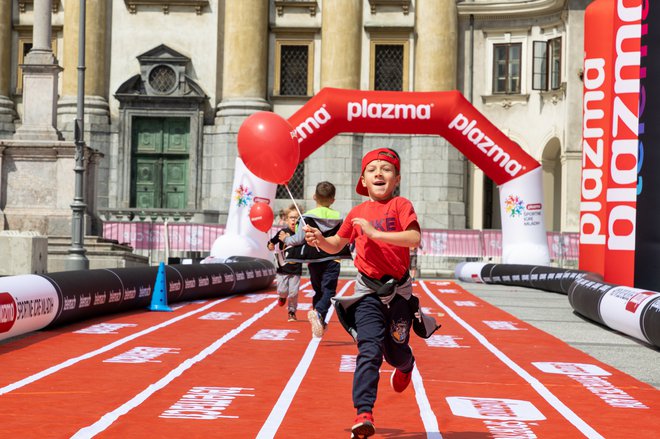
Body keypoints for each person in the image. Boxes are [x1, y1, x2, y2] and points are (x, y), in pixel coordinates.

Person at [303, 148, 440, 438]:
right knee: (369, 350)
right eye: (372, 169)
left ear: (397, 178)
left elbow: (414, 238)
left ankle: (407, 364)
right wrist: (319, 241)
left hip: (399, 294)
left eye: (386, 169)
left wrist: (376, 234)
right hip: (366, 294)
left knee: (396, 354)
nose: (379, 173)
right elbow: (336, 244)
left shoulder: (401, 205)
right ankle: (364, 413)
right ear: (363, 180)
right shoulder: (356, 213)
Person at [284, 181, 352, 337]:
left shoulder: (306, 217)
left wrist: (287, 240)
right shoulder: (339, 217)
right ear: (333, 200)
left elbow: (299, 239)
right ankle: (319, 314)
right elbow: (344, 237)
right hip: (333, 258)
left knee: (318, 290)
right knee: (329, 290)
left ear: (314, 197)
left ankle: (319, 317)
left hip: (314, 259)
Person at [267, 205, 302, 322]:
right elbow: (271, 242)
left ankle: (292, 312)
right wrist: (270, 245)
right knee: (283, 291)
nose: (294, 220)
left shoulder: (301, 234)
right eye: (291, 217)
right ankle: (282, 297)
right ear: (286, 220)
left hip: (296, 268)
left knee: (293, 293)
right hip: (282, 268)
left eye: (297, 217)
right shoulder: (282, 233)